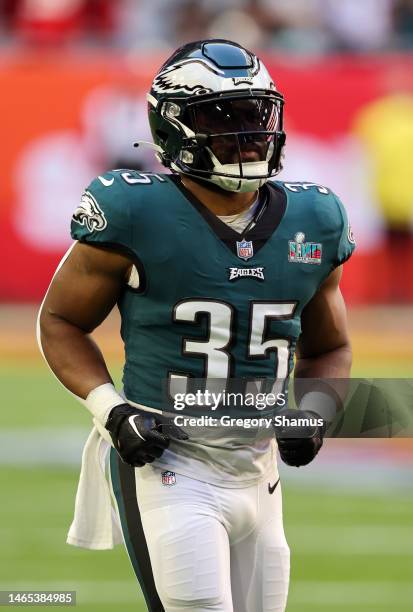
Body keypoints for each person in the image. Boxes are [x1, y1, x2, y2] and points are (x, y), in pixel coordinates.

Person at [38, 39, 355, 612]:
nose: (249, 132)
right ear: (174, 128)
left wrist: (317, 410)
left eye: (258, 114)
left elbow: (330, 347)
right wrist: (111, 408)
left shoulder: (317, 217)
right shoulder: (136, 211)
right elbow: (60, 320)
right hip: (170, 463)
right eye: (222, 116)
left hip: (257, 467)